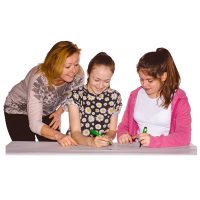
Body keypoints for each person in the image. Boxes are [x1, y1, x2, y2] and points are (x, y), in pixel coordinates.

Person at [4, 41, 85, 147]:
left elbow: (74, 97)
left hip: (46, 110)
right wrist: (59, 135)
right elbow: (35, 124)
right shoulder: (38, 80)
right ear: (54, 64)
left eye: (76, 64)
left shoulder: (78, 75)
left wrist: (59, 112)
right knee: (28, 149)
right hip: (18, 109)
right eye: (68, 66)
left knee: (55, 148)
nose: (73, 70)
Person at [117, 47, 191, 147]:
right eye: (141, 79)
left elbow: (184, 137)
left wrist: (153, 141)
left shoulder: (179, 98)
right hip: (137, 152)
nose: (144, 84)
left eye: (150, 80)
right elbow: (124, 126)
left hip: (165, 155)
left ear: (164, 76)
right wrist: (123, 134)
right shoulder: (135, 95)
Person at [65, 52, 122, 147]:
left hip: (101, 148)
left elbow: (112, 130)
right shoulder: (76, 95)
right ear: (88, 73)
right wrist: (91, 142)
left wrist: (106, 138)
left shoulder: (115, 96)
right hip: (77, 146)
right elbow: (75, 132)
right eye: (96, 80)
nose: (100, 86)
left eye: (106, 81)